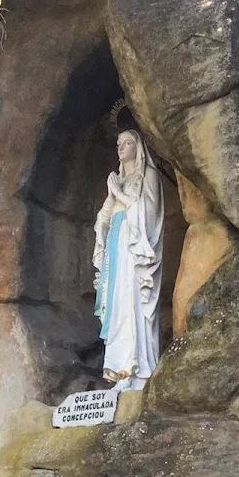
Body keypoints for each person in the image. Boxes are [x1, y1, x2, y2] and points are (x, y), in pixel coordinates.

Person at [92, 129, 164, 390]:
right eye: (118, 143)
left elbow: (148, 215)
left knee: (132, 306)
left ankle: (136, 370)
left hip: (135, 255)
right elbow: (103, 223)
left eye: (127, 143)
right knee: (116, 307)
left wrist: (119, 193)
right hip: (116, 252)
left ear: (139, 147)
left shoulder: (149, 176)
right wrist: (112, 195)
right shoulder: (119, 180)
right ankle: (119, 370)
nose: (121, 147)